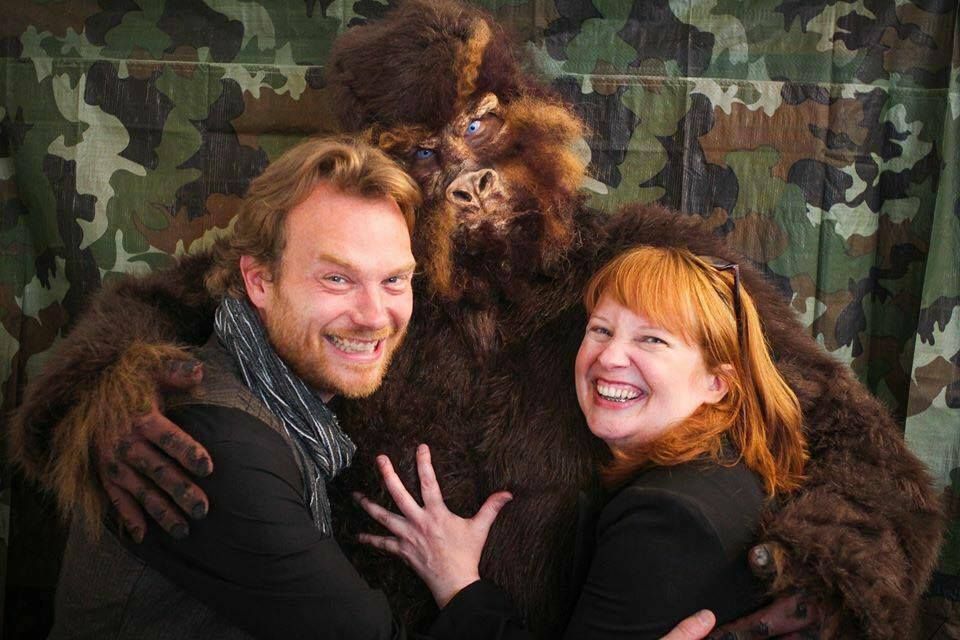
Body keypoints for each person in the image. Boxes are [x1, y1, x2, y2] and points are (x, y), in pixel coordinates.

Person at [36, 136, 715, 640]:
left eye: (395, 280)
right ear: (258, 281)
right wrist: (94, 387)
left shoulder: (291, 397)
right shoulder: (203, 440)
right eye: (336, 278)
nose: (373, 314)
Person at [357, 246, 808, 638]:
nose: (609, 357)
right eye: (601, 330)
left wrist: (456, 583)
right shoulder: (721, 469)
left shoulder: (670, 516)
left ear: (716, 383)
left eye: (652, 339)